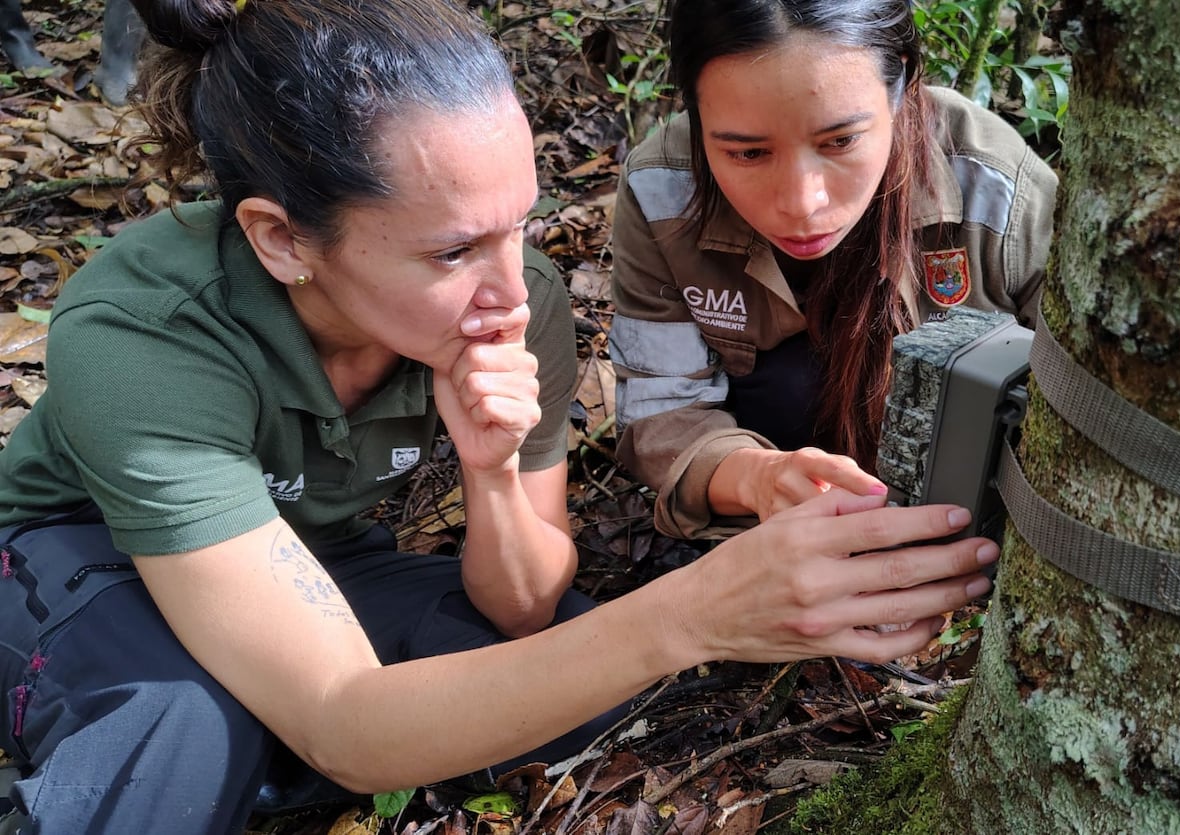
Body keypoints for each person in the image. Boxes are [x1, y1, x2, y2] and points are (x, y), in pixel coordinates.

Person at [0, 0, 1001, 831]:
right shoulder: (147, 335)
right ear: (281, 239)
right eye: (450, 252)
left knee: (565, 673)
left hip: (311, 551)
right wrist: (697, 611)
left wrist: (489, 472)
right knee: (185, 728)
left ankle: (255, 744)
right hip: (81, 554)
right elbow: (344, 720)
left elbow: (520, 606)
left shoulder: (519, 300)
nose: (512, 291)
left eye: (516, 227)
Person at [609, 0, 1059, 539]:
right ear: (696, 114)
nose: (802, 203)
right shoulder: (661, 190)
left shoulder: (999, 193)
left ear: (900, 84)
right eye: (749, 154)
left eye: (841, 141)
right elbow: (659, 411)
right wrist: (756, 479)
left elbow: (1081, 414)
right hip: (769, 527)